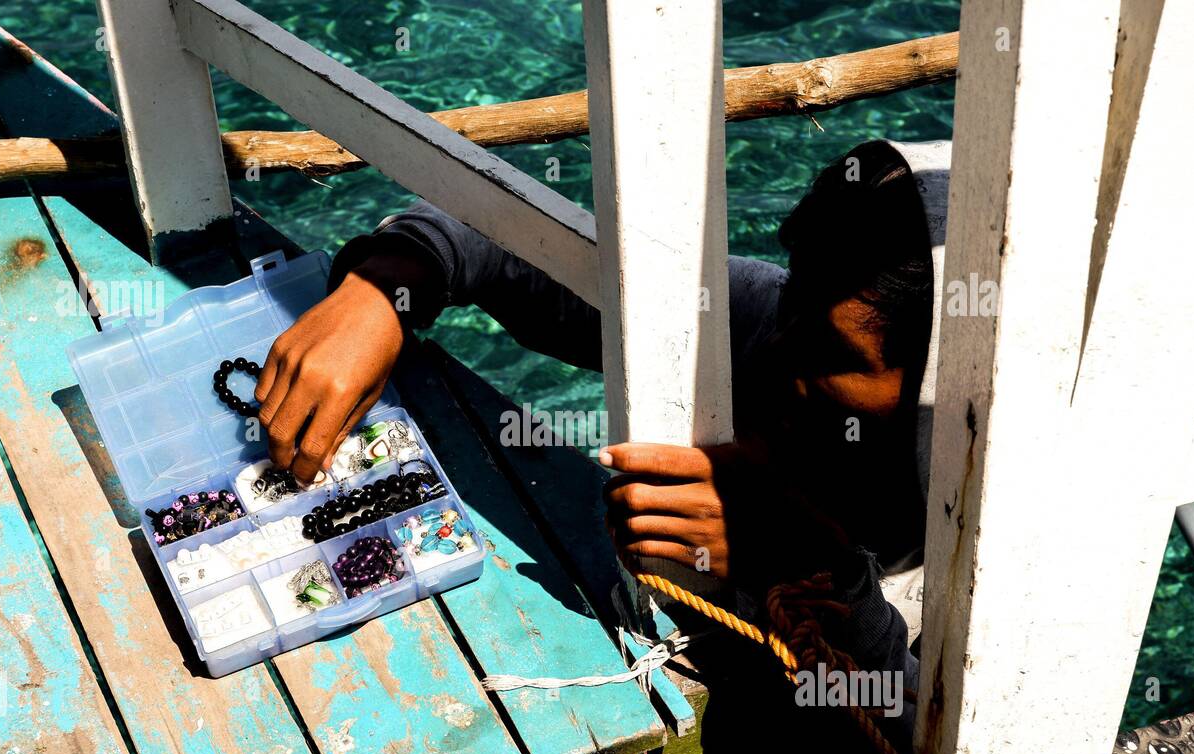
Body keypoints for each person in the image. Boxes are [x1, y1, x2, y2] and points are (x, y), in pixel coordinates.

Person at [253, 138, 951, 701]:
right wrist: (386, 288)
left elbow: (935, 741)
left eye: (834, 352)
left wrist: (808, 563)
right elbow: (502, 246)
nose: (780, 349)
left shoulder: (1005, 543)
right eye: (795, 289)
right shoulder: (767, 325)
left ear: (949, 378)